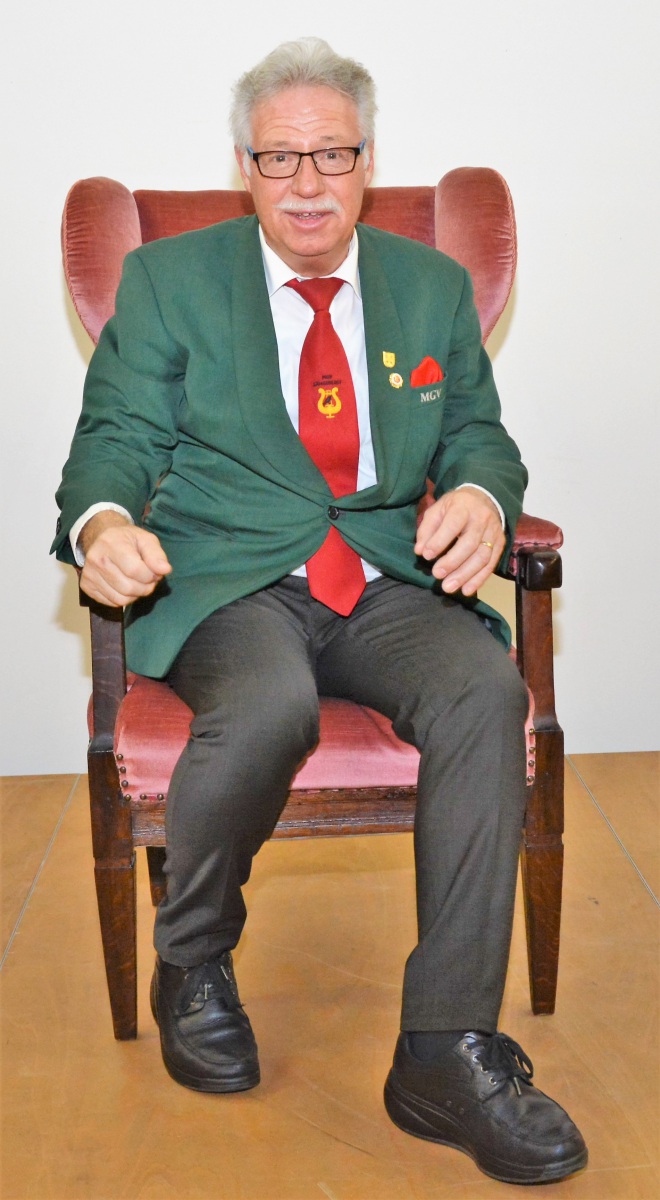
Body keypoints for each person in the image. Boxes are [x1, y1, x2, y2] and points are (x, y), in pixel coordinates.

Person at [52, 37, 586, 1185]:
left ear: (367, 160)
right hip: (233, 578)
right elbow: (115, 437)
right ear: (244, 166)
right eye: (279, 157)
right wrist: (101, 525)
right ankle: (194, 959)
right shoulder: (170, 280)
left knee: (485, 690)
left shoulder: (429, 286)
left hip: (385, 576)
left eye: (331, 154)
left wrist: (483, 496)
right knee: (268, 704)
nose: (307, 182)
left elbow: (477, 436)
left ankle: (443, 1049)